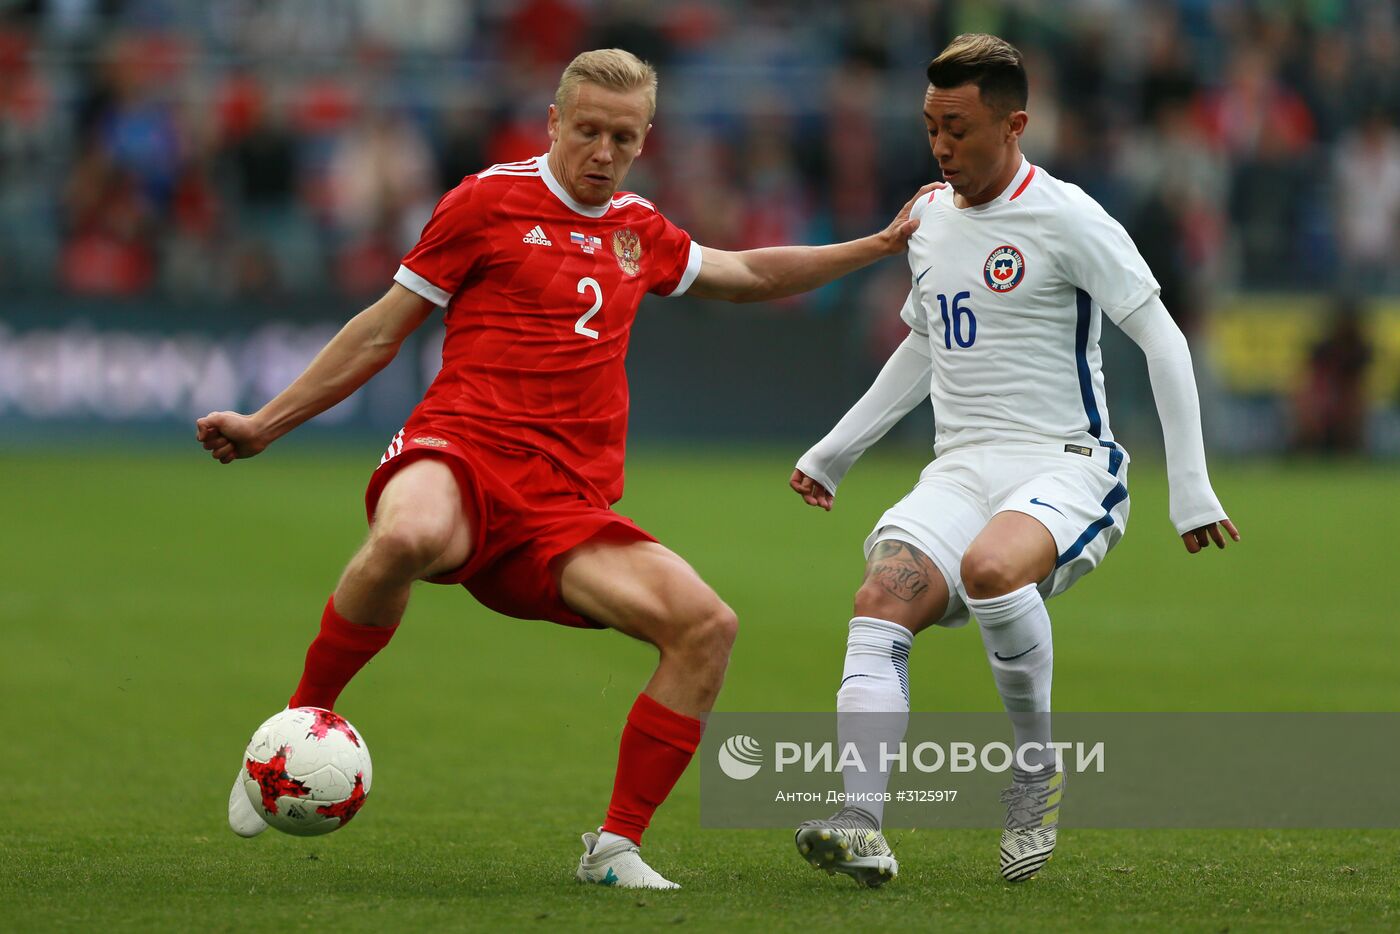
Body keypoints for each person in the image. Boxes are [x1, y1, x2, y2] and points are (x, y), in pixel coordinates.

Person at [197, 49, 932, 890]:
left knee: (706, 626)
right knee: (408, 534)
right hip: (462, 449)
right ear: (553, 122)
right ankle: (293, 732)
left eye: (623, 137)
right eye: (586, 130)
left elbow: (745, 273)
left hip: (565, 504)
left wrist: (877, 245)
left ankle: (614, 849)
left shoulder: (639, 229)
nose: (602, 151)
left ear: (643, 139)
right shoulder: (485, 201)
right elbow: (379, 331)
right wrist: (264, 424)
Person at [787, 34, 1240, 888]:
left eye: (958, 127)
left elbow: (1164, 339)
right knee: (880, 598)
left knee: (993, 567)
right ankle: (862, 823)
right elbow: (923, 348)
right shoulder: (926, 214)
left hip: (1068, 464)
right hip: (960, 467)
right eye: (930, 128)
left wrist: (1192, 489)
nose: (941, 146)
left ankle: (1034, 771)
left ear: (1015, 123)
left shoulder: (1070, 217)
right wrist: (836, 451)